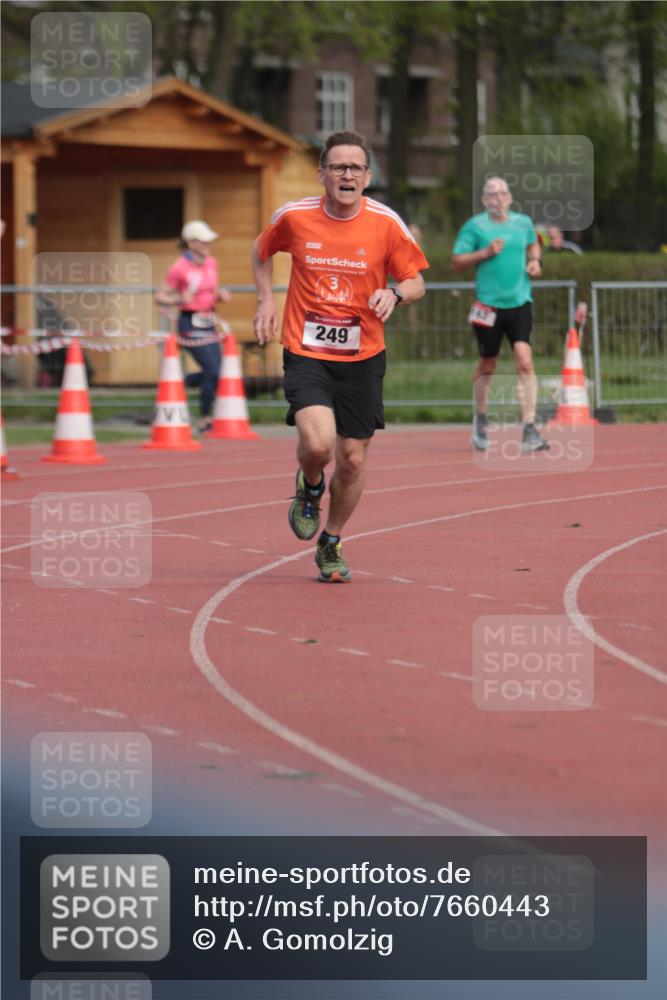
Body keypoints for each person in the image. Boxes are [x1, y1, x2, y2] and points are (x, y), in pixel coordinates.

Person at [252, 130, 428, 582]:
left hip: (363, 356)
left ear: (367, 177)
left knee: (352, 458)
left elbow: (416, 281)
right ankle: (310, 486)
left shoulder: (387, 223)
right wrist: (265, 301)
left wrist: (395, 293)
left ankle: (331, 541)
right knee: (317, 444)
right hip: (306, 349)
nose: (346, 174)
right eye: (337, 166)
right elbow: (261, 251)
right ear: (322, 174)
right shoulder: (294, 217)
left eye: (355, 167)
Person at [452, 176, 550, 453]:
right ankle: (481, 418)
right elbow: (457, 261)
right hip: (487, 307)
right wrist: (485, 252)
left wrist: (534, 261)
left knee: (524, 360)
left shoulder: (523, 223)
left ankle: (530, 427)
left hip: (519, 302)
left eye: (502, 193)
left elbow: (534, 244)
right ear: (484, 200)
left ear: (509, 197)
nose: (498, 198)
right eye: (492, 194)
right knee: (488, 364)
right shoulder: (475, 226)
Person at [155, 220, 231, 432]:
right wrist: (179, 297)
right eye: (204, 241)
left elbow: (212, 291)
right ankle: (205, 418)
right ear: (191, 243)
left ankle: (179, 382)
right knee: (213, 369)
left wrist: (220, 296)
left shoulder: (211, 263)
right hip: (189, 322)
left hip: (208, 322)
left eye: (210, 241)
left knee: (219, 371)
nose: (209, 245)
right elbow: (160, 297)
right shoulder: (179, 267)